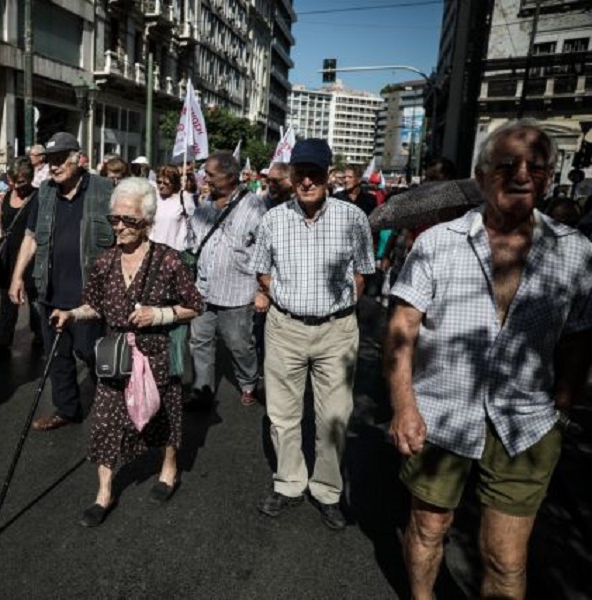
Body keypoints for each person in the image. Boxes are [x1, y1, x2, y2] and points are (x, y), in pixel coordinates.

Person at [385, 119, 592, 599]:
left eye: (536, 167)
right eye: (507, 165)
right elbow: (401, 328)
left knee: (505, 557)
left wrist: (564, 397)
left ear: (547, 178)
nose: (522, 175)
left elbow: (581, 334)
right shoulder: (438, 243)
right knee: (428, 528)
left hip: (527, 423)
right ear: (481, 177)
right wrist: (403, 406)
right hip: (440, 416)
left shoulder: (576, 251)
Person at [50, 177, 204, 527]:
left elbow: (196, 305)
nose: (119, 227)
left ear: (147, 222)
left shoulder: (169, 261)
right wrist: (71, 314)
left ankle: (169, 468)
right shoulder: (104, 262)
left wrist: (159, 314)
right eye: (114, 219)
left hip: (157, 354)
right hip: (116, 354)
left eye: (129, 220)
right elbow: (95, 306)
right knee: (104, 422)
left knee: (163, 415)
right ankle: (104, 492)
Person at [250, 138, 375, 530]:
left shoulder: (352, 218)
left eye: (315, 174)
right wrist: (286, 300)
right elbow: (263, 270)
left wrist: (339, 309)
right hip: (285, 327)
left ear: (328, 177)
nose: (306, 181)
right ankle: (289, 483)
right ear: (290, 175)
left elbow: (362, 273)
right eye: (300, 173)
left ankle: (326, 490)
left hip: (336, 330)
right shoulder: (272, 219)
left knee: (334, 417)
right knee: (283, 415)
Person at [9, 132, 114, 431]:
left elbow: (124, 237)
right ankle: (67, 409)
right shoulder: (44, 192)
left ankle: (111, 401)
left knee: (90, 352)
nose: (54, 167)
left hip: (88, 296)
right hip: (50, 290)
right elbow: (30, 238)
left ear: (78, 160)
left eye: (59, 160)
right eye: (50, 160)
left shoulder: (104, 190)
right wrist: (17, 277)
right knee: (58, 356)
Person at [186, 151, 265, 409]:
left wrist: (262, 289)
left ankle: (248, 382)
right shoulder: (205, 205)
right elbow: (194, 241)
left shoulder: (254, 206)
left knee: (239, 345)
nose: (205, 179)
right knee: (200, 341)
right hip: (203, 289)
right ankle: (202, 390)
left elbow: (266, 251)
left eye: (210, 174)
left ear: (231, 176)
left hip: (238, 293)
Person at [0, 157, 42, 359]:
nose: (16, 186)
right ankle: (1, 341)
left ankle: (40, 334)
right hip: (8, 255)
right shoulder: (7, 194)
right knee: (7, 300)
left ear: (31, 178)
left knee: (35, 299)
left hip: (31, 254)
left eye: (21, 182)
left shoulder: (39, 197)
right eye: (13, 181)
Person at [150, 164, 195, 251]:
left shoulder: (184, 198)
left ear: (174, 183)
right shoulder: (153, 196)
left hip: (174, 251)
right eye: (159, 182)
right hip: (153, 250)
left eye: (166, 183)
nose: (161, 186)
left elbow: (193, 224)